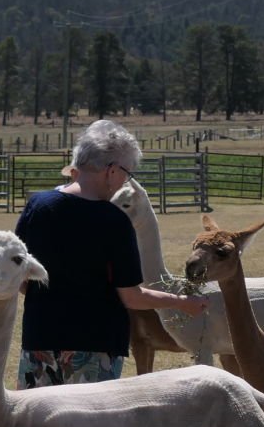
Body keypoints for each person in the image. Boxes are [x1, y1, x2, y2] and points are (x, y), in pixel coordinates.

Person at [16, 119, 208, 387]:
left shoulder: (37, 206)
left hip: (38, 343)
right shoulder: (114, 221)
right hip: (94, 351)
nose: (124, 181)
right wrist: (181, 302)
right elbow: (131, 296)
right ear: (112, 171)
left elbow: (20, 280)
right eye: (127, 174)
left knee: (31, 426)